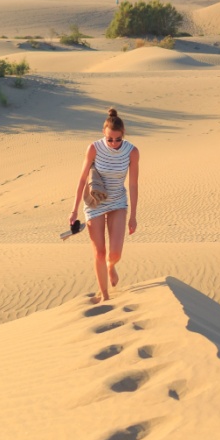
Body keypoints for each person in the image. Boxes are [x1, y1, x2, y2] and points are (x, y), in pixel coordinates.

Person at [70, 108, 139, 303]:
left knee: (115, 253)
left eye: (118, 139)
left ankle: (111, 266)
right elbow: (82, 179)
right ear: (103, 133)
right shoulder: (94, 148)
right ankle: (105, 296)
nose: (114, 143)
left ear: (123, 135)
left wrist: (133, 216)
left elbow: (133, 184)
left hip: (118, 201)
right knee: (100, 252)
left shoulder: (132, 152)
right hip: (95, 203)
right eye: (110, 139)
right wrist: (74, 210)